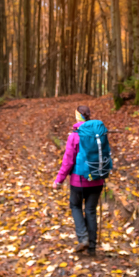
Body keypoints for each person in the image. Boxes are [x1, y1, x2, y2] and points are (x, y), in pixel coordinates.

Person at [52, 105, 104, 256]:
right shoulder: (99, 134)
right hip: (97, 180)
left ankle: (83, 238)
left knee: (75, 206)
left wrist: (59, 181)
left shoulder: (74, 136)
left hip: (78, 181)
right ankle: (92, 248)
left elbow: (68, 162)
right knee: (90, 210)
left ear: (78, 117)